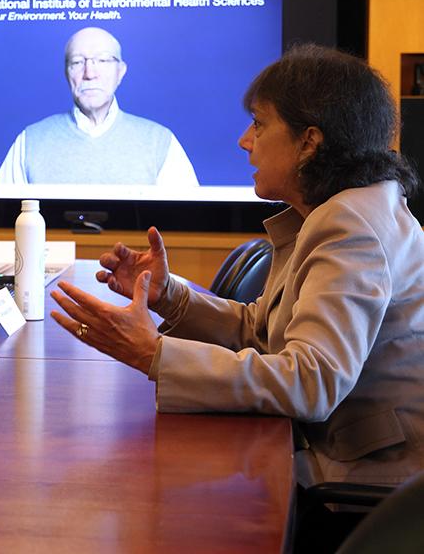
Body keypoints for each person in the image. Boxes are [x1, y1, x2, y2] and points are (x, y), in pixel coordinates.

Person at [50, 46, 424, 493]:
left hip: (364, 487)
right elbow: (263, 330)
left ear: (309, 141)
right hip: (337, 461)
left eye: (259, 124)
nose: (245, 140)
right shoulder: (345, 210)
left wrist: (154, 355)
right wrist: (168, 294)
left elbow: (311, 381)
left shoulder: (351, 225)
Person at [0, 26, 198, 186]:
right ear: (67, 73)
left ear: (121, 71)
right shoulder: (30, 141)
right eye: (77, 62)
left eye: (102, 60)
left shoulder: (159, 141)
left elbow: (190, 226)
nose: (90, 73)